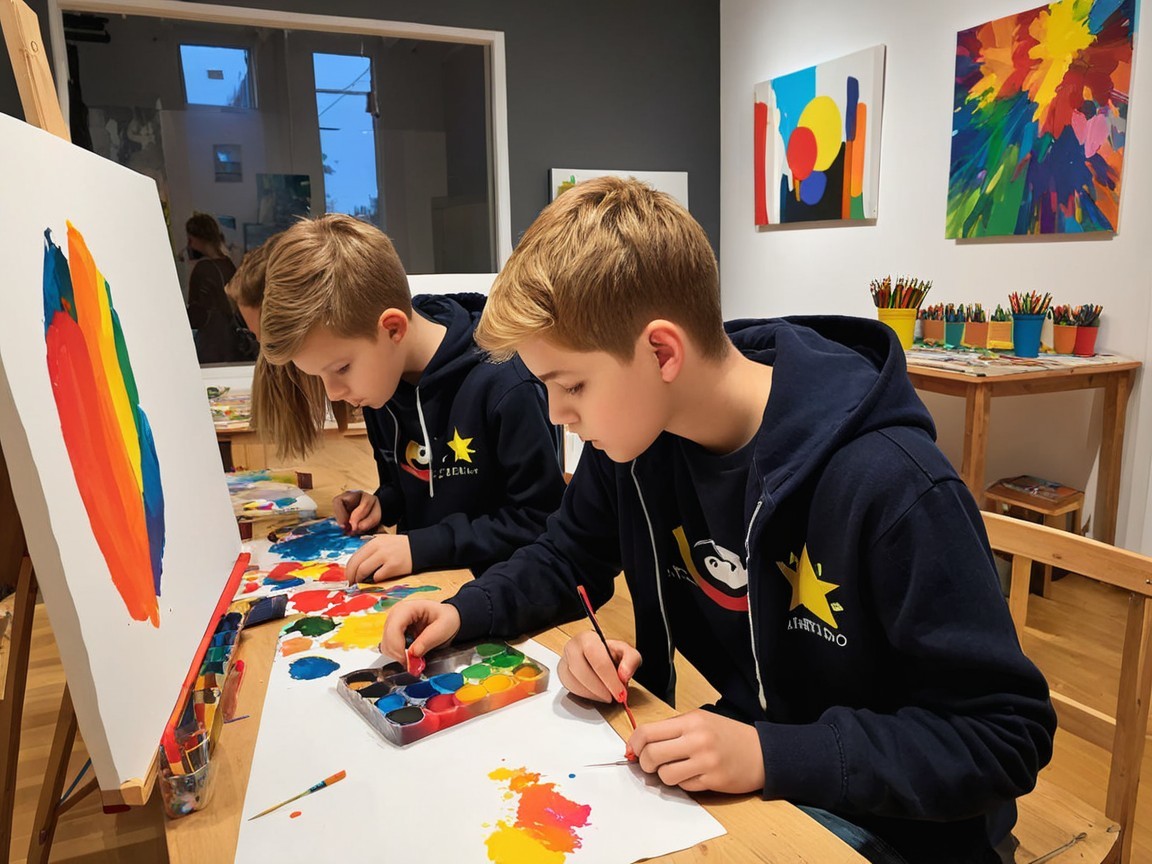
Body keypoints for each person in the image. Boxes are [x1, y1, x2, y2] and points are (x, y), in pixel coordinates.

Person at [380, 177, 1056, 864]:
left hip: (901, 828)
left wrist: (771, 754)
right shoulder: (636, 445)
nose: (557, 416)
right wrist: (466, 611)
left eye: (571, 385)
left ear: (662, 352)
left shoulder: (892, 482)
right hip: (766, 781)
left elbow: (1004, 736)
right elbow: (564, 556)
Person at [253, 213, 566, 582]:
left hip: (506, 599)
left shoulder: (505, 383)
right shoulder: (380, 386)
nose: (334, 392)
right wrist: (381, 503)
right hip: (422, 588)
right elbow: (411, 483)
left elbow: (540, 520)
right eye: (319, 375)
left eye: (341, 368)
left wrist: (422, 546)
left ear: (393, 328)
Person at [184, 212, 256, 364]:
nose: (189, 245)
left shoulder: (202, 268)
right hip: (231, 342)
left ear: (198, 238)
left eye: (190, 239)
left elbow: (196, 315)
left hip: (211, 343)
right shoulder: (228, 264)